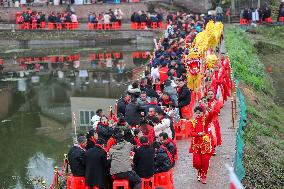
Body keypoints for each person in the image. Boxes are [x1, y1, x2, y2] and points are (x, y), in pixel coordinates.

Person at [189, 106, 213, 184]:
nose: (198, 114)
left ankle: (203, 176)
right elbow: (191, 133)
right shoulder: (193, 122)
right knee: (197, 163)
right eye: (197, 113)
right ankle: (199, 171)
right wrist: (198, 134)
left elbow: (211, 116)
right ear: (195, 113)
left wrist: (210, 111)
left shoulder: (206, 120)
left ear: (202, 113)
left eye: (200, 113)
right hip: (196, 145)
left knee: (205, 162)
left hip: (205, 144)